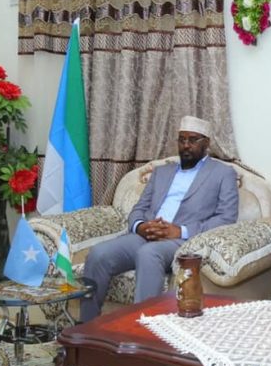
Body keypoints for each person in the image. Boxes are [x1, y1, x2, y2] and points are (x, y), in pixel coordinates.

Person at [80, 116, 239, 321]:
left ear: (206, 143)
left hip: (182, 240)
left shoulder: (223, 173)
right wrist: (141, 226)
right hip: (145, 235)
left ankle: (143, 328)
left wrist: (180, 230)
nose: (186, 145)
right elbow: (139, 208)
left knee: (149, 253)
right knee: (98, 253)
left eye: (193, 140)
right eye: (182, 140)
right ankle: (86, 326)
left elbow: (226, 218)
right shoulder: (162, 172)